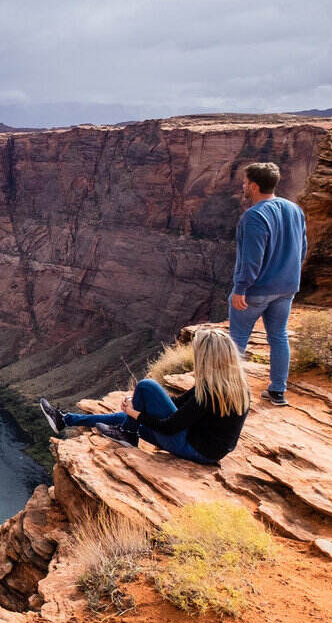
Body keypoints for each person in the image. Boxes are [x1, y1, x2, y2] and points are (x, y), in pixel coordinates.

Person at [38, 328, 250, 466]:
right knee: (131, 411)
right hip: (199, 446)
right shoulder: (231, 385)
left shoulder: (212, 391)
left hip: (194, 451)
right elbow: (178, 405)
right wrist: (139, 408)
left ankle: (128, 434)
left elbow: (169, 427)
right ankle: (65, 420)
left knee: (147, 386)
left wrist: (136, 413)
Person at [228, 161, 306, 407]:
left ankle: (231, 395)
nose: (242, 186)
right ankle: (277, 392)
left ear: (253, 185)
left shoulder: (254, 216)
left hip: (257, 290)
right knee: (279, 337)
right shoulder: (294, 209)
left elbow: (252, 260)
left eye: (244, 182)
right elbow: (302, 249)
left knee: (237, 340)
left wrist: (241, 288)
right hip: (287, 288)